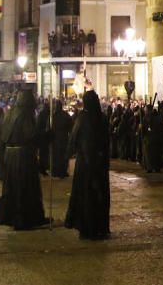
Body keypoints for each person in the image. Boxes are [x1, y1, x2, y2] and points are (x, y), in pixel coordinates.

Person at [0, 89, 49, 230]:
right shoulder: (25, 115)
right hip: (23, 156)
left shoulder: (9, 114)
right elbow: (31, 135)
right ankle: (25, 219)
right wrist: (47, 135)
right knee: (25, 188)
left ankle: (24, 217)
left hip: (10, 155)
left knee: (15, 188)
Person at [65, 90, 111, 239]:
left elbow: (74, 139)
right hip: (99, 163)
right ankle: (99, 227)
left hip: (85, 164)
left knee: (86, 195)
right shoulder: (102, 118)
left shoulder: (82, 118)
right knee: (98, 195)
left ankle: (86, 227)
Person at [50, 100, 72, 178]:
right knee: (62, 155)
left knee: (56, 155)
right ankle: (62, 171)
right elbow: (70, 125)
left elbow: (50, 127)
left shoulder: (53, 115)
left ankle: (56, 171)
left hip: (56, 138)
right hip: (63, 137)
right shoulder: (65, 115)